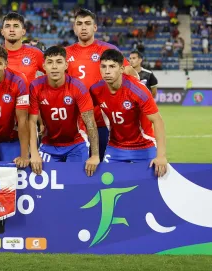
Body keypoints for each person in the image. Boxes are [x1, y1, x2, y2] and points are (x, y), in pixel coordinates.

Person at [65, 8, 139, 162]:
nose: (83, 27)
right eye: (79, 24)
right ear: (74, 28)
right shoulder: (65, 53)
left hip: (103, 121)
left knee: (105, 168)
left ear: (95, 27)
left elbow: (132, 75)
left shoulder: (108, 49)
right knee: (80, 170)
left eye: (87, 23)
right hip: (76, 125)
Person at [90, 49, 167, 177]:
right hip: (115, 147)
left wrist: (161, 156)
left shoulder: (137, 90)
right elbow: (83, 113)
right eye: (103, 66)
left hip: (144, 146)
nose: (107, 71)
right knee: (106, 182)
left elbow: (157, 120)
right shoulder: (96, 90)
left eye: (112, 66)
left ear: (121, 69)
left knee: (147, 189)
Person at [29, 46, 100, 176]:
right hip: (49, 144)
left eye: (59, 62)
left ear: (66, 65)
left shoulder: (77, 86)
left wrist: (95, 155)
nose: (54, 67)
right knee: (43, 180)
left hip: (76, 143)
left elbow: (90, 122)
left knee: (75, 181)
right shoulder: (35, 86)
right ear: (44, 65)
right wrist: (34, 153)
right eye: (50, 62)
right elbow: (32, 122)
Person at [0, 12, 45, 84]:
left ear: (23, 31)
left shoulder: (35, 53)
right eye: (7, 26)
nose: (11, 30)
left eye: (16, 26)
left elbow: (54, 74)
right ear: (2, 31)